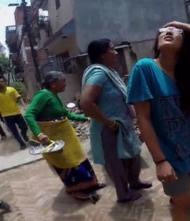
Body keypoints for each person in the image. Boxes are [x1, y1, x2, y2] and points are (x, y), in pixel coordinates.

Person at [127, 22, 190, 221]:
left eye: (175, 31)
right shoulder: (145, 69)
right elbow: (143, 118)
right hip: (170, 154)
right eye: (163, 31)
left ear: (186, 41)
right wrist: (160, 161)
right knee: (182, 201)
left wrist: (184, 26)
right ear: (156, 42)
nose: (168, 31)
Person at [80, 39, 151, 203]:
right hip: (110, 129)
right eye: (112, 49)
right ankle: (123, 194)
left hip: (122, 125)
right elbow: (85, 103)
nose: (116, 52)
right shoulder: (98, 73)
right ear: (102, 55)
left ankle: (134, 182)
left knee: (132, 155)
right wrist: (108, 123)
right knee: (116, 162)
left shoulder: (109, 72)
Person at [24, 71, 105, 201]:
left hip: (67, 137)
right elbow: (29, 114)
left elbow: (67, 114)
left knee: (80, 159)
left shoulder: (54, 95)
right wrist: (39, 134)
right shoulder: (43, 95)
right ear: (53, 84)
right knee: (67, 163)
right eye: (63, 81)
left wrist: (86, 117)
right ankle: (76, 190)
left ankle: (91, 184)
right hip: (53, 138)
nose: (65, 84)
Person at [0, 75, 28, 149]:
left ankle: (23, 134)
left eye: (2, 81)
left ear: (5, 82)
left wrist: (24, 106)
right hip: (6, 116)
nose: (1, 83)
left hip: (17, 113)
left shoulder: (11, 89)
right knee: (14, 131)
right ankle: (22, 144)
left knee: (24, 127)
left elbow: (19, 98)